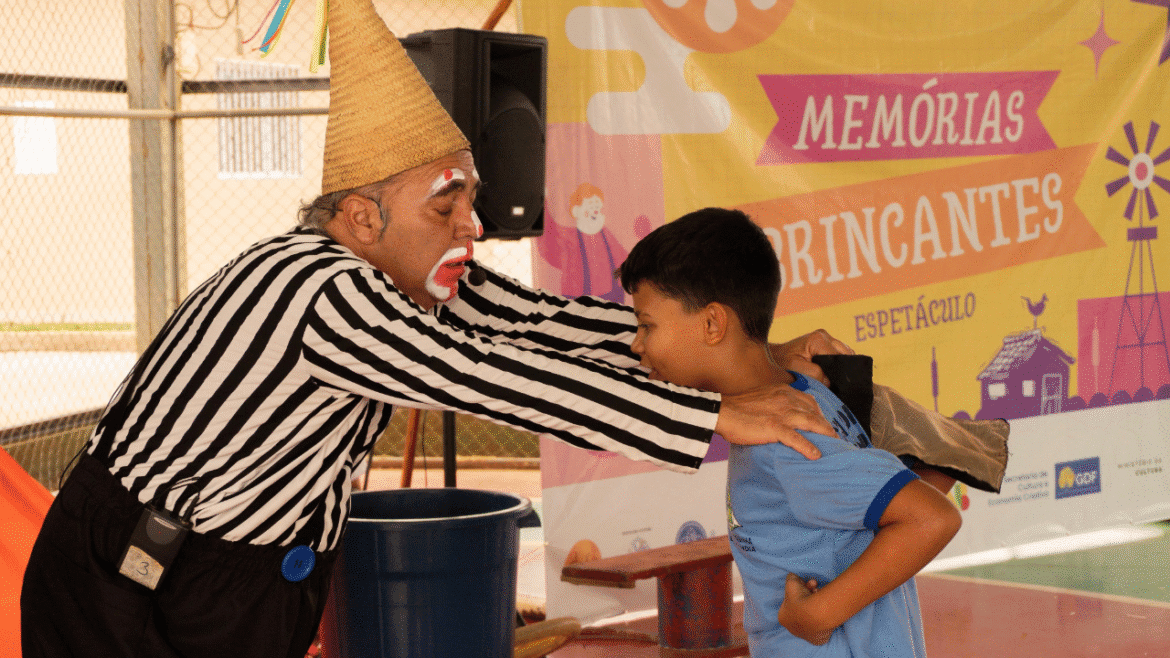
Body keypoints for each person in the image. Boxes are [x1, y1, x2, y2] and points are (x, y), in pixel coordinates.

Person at [18, 3, 850, 657]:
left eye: (471, 201)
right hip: (132, 585)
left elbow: (539, 322)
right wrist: (715, 414)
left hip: (243, 582)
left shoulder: (401, 278)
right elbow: (485, 374)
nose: (473, 226)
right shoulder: (319, 289)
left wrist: (745, 352)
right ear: (359, 216)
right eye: (444, 204)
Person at [618, 207, 962, 656]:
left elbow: (932, 517)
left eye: (647, 325)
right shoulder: (805, 394)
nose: (635, 345)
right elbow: (905, 492)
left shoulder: (785, 443)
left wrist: (817, 615)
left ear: (712, 324)